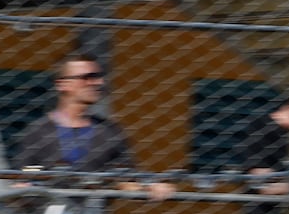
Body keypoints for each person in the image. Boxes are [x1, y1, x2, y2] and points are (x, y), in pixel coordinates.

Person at [14, 56, 174, 201]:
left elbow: (125, 179)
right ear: (63, 84)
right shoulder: (38, 131)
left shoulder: (109, 131)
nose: (98, 83)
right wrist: (28, 182)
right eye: (87, 78)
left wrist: (149, 187)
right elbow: (27, 174)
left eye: (98, 77)